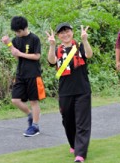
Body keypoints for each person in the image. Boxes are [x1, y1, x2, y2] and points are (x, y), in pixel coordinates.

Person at [46, 23, 93, 163]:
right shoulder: (58, 49)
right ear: (59, 36)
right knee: (68, 120)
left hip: (82, 90)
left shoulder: (79, 46)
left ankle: (80, 154)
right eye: (61, 33)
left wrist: (85, 40)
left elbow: (89, 55)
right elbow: (51, 61)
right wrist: (52, 45)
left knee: (82, 122)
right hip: (65, 92)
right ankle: (74, 144)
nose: (65, 34)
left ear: (72, 33)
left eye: (67, 31)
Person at [1, 16, 46, 137]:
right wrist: (9, 45)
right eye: (15, 32)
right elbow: (17, 57)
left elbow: (37, 56)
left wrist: (20, 53)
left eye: (18, 31)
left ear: (25, 28)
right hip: (20, 74)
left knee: (33, 101)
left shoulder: (34, 38)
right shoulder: (16, 40)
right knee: (15, 99)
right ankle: (30, 115)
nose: (17, 34)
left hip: (33, 74)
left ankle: (35, 126)